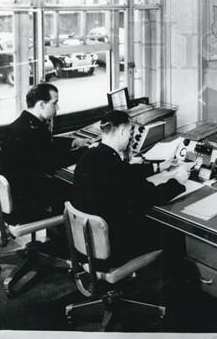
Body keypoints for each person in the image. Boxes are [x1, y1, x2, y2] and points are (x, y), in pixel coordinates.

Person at [71, 110, 189, 264]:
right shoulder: (114, 166)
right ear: (121, 131)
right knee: (174, 233)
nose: (130, 138)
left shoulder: (89, 156)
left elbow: (124, 173)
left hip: (87, 243)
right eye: (129, 133)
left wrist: (158, 167)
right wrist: (178, 182)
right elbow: (151, 196)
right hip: (112, 248)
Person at [0, 83, 90, 222]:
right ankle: (72, 241)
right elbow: (52, 161)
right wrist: (87, 151)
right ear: (41, 105)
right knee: (82, 191)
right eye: (54, 103)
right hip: (27, 203)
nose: (57, 107)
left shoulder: (25, 124)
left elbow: (47, 144)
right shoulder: (28, 132)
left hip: (21, 194)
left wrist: (73, 142)